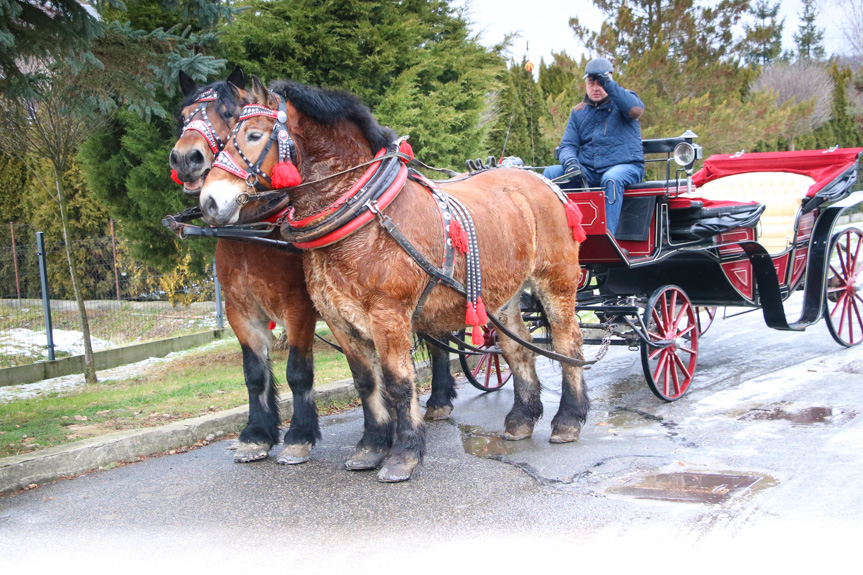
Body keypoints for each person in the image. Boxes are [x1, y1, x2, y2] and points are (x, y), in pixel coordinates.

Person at [543, 57, 645, 235]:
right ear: (585, 84)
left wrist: (610, 85)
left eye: (601, 82)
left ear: (609, 81)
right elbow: (567, 145)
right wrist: (571, 165)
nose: (596, 87)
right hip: (590, 170)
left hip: (626, 166)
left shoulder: (624, 101)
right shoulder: (578, 112)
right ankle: (554, 237)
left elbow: (635, 110)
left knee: (612, 178)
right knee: (550, 174)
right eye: (591, 82)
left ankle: (608, 238)